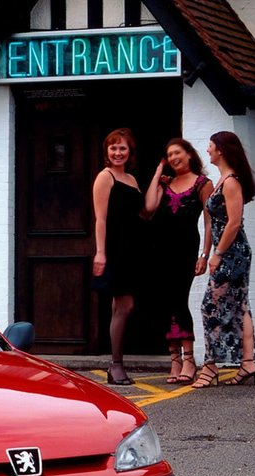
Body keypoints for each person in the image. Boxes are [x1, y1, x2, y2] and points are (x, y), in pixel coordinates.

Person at [192, 131, 255, 388]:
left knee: (210, 306)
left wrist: (217, 255)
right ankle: (248, 362)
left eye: (210, 145)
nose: (207, 150)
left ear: (221, 149)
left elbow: (233, 223)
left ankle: (210, 367)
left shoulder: (231, 182)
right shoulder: (224, 179)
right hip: (234, 252)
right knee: (241, 306)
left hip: (232, 253)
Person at [144, 138, 212, 384]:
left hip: (185, 249)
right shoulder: (166, 182)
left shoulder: (203, 183)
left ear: (189, 154)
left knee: (179, 301)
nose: (173, 158)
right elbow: (150, 206)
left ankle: (189, 360)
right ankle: (174, 359)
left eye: (177, 153)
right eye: (169, 155)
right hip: (160, 250)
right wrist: (157, 171)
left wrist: (204, 254)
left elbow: (209, 221)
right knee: (164, 303)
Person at [92, 128, 144, 385]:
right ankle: (115, 365)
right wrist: (100, 253)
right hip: (114, 249)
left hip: (131, 249)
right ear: (107, 151)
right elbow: (100, 219)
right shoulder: (105, 177)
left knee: (119, 306)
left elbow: (144, 212)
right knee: (126, 305)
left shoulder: (132, 180)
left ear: (129, 151)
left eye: (122, 148)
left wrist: (158, 177)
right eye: (113, 148)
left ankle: (117, 365)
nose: (118, 152)